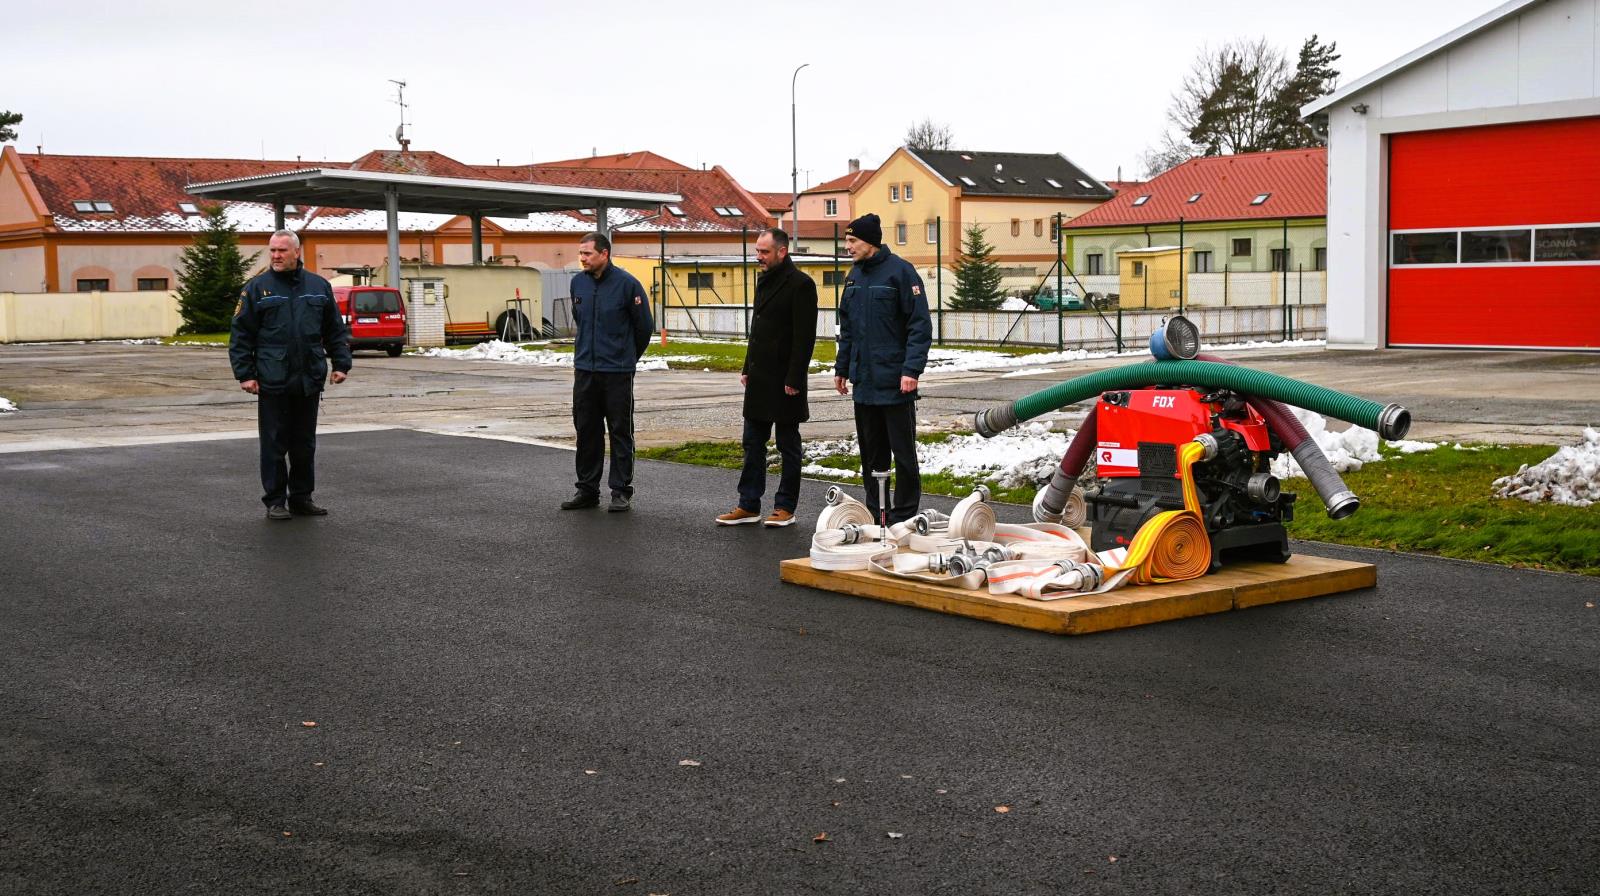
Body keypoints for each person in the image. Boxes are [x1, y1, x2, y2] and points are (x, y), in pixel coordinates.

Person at [229, 229, 352, 520]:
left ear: (297, 252)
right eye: (272, 250)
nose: (275, 256)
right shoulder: (257, 288)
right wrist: (245, 374)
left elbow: (334, 330)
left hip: (308, 378)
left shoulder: (318, 286)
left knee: (304, 443)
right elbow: (241, 335)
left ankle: (301, 497)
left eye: (282, 250)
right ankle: (275, 501)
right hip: (273, 378)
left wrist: (341, 364)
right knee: (274, 443)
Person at [833, 213, 932, 524]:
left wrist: (911, 371)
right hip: (864, 384)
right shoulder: (854, 276)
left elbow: (919, 326)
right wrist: (842, 368)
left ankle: (904, 516)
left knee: (903, 456)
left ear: (870, 243)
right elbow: (847, 329)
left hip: (895, 383)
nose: (847, 247)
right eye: (846, 241)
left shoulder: (901, 272)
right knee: (871, 456)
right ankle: (877, 513)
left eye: (852, 241)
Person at [716, 228, 818, 528]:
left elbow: (804, 337)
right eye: (757, 251)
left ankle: (785, 507)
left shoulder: (801, 284)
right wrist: (748, 366)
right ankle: (748, 505)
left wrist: (795, 378)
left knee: (788, 444)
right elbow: (758, 330)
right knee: (752, 443)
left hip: (785, 380)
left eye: (764, 252)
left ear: (782, 252)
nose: (758, 257)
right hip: (760, 378)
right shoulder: (764, 281)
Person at [562, 232, 654, 513]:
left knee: (620, 431)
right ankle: (587, 490)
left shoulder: (627, 285)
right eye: (581, 253)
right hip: (585, 371)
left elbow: (643, 328)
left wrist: (626, 358)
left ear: (604, 254)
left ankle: (620, 490)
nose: (583, 258)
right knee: (587, 430)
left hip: (617, 372)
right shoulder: (578, 283)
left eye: (588, 253)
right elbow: (581, 321)